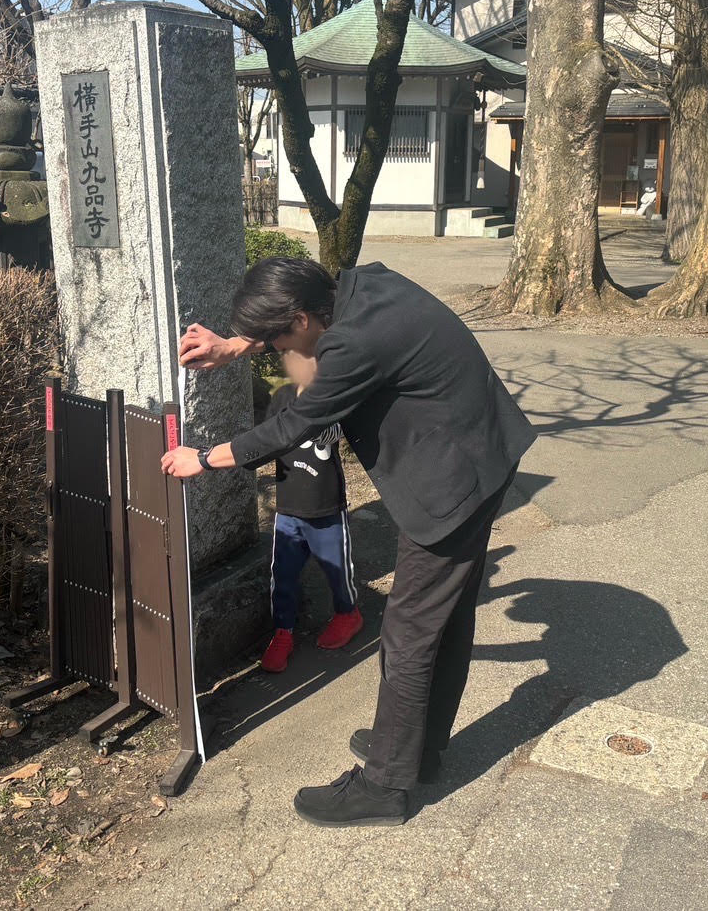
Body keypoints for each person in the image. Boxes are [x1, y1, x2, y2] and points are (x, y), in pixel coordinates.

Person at [162, 257, 535, 827]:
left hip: (453, 479)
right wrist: (240, 344)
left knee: (410, 631)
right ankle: (415, 748)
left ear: (304, 318)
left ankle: (386, 786)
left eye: (275, 336)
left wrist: (206, 458)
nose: (271, 346)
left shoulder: (354, 345)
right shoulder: (365, 283)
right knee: (444, 616)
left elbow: (293, 424)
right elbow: (303, 332)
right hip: (480, 444)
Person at [260, 348, 363, 673]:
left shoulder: (333, 400)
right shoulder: (282, 397)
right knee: (283, 574)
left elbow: (332, 433)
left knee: (337, 569)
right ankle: (283, 632)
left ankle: (348, 614)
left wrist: (311, 403)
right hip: (289, 508)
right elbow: (267, 437)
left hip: (326, 508)